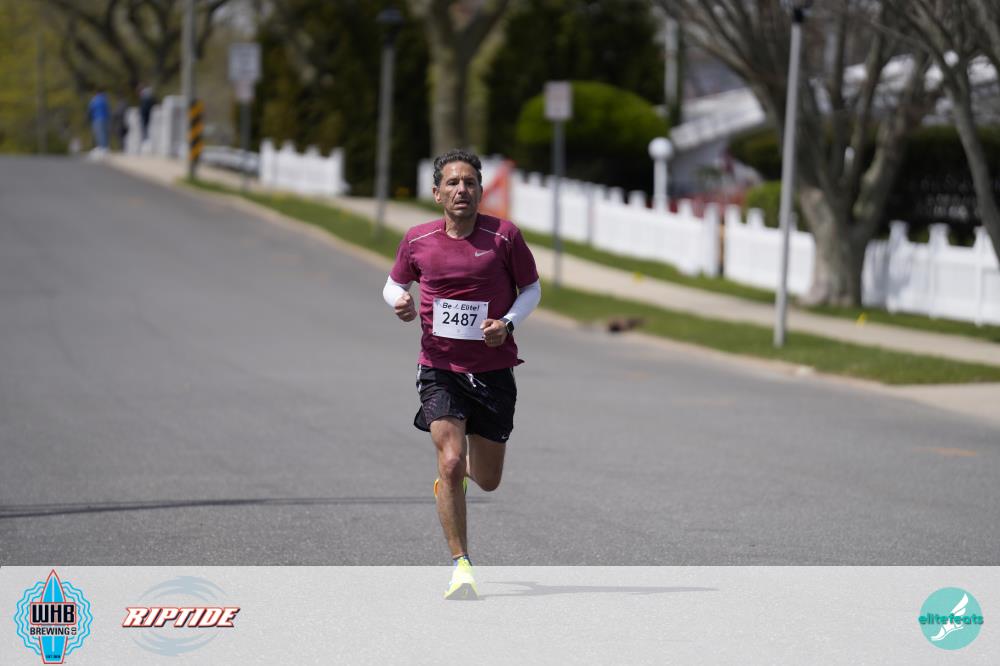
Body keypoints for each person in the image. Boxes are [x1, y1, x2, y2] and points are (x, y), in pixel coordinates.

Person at [383, 150, 541, 599]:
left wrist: (507, 323)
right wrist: (399, 302)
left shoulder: (504, 237)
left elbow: (531, 288)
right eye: (452, 183)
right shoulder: (418, 239)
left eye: (469, 183)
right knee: (450, 461)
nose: (461, 190)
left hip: (493, 370)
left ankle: (458, 478)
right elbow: (394, 283)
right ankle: (462, 566)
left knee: (487, 479)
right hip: (440, 367)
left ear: (480, 191)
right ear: (437, 194)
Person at [87, 89, 110, 156]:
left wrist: (88, 119)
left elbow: (90, 110)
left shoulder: (94, 100)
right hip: (105, 118)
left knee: (99, 134)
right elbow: (108, 110)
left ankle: (101, 148)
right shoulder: (104, 100)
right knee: (104, 133)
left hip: (96, 119)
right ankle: (105, 147)